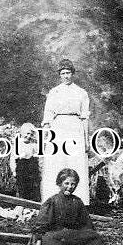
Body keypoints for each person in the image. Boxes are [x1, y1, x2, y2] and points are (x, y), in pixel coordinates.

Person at [42, 59, 90, 205]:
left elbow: (85, 118)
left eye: (68, 73)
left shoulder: (81, 93)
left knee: (76, 162)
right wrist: (45, 138)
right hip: (58, 128)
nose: (66, 76)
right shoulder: (54, 92)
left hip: (75, 128)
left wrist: (87, 140)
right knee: (56, 161)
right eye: (63, 73)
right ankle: (53, 200)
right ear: (59, 75)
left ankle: (79, 201)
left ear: (73, 74)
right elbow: (47, 117)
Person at [31, 168, 104, 245]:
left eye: (73, 184)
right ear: (59, 183)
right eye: (66, 183)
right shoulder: (52, 201)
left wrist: (87, 233)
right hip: (56, 235)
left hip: (73, 235)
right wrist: (38, 237)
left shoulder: (77, 201)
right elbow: (41, 223)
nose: (69, 187)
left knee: (95, 237)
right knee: (48, 240)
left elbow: (86, 223)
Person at [10, 123, 41, 202]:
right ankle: (22, 203)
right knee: (22, 188)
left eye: (31, 134)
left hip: (31, 169)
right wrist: (13, 170)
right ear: (22, 133)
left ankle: (33, 204)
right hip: (21, 168)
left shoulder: (33, 145)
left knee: (33, 188)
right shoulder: (18, 144)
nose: (29, 136)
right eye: (27, 134)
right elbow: (13, 158)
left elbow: (39, 158)